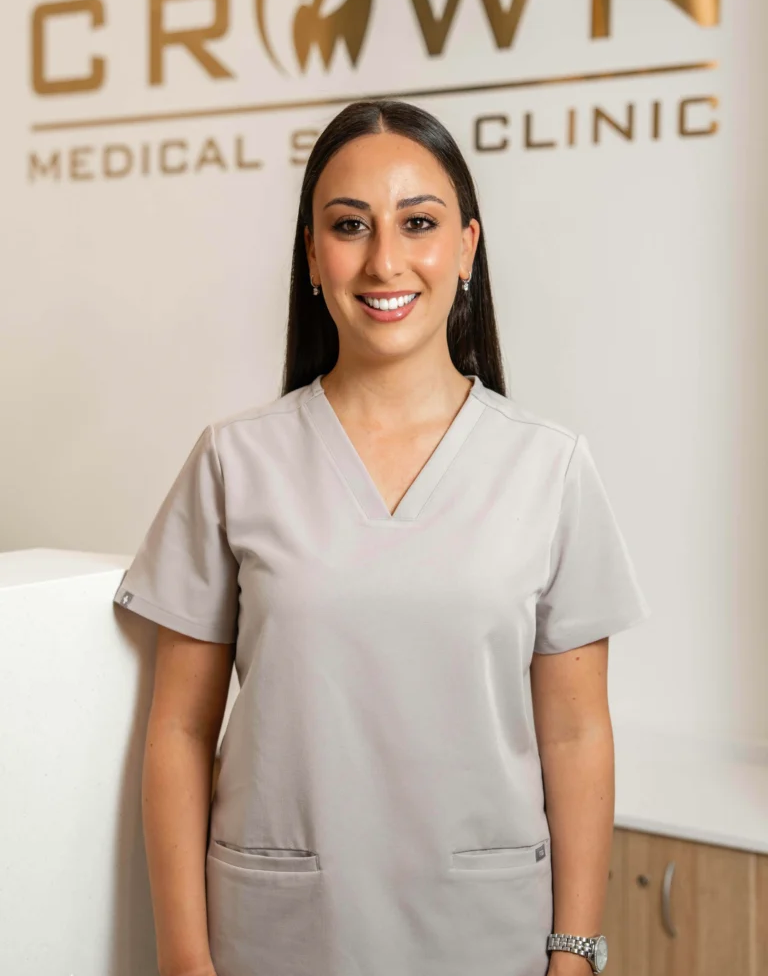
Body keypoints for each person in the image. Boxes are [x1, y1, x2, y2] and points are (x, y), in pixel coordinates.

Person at [114, 98, 651, 976]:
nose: (385, 259)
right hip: (280, 934)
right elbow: (178, 728)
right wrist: (183, 956)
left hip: (487, 936)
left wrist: (576, 951)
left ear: (468, 248)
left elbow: (578, 734)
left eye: (419, 223)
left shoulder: (550, 468)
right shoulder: (232, 461)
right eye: (350, 225)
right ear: (312, 255)